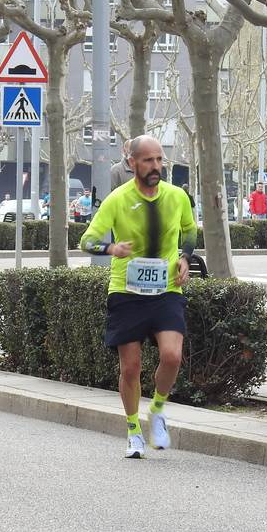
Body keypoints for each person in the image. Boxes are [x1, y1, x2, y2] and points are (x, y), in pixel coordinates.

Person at [79, 134, 198, 459]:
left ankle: (157, 410)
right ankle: (133, 431)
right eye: (148, 160)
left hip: (167, 290)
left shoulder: (177, 197)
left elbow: (190, 231)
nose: (156, 166)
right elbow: (86, 240)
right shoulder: (117, 199)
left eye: (159, 159)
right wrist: (111, 248)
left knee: (172, 356)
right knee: (130, 368)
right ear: (132, 163)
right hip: (127, 292)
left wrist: (185, 258)